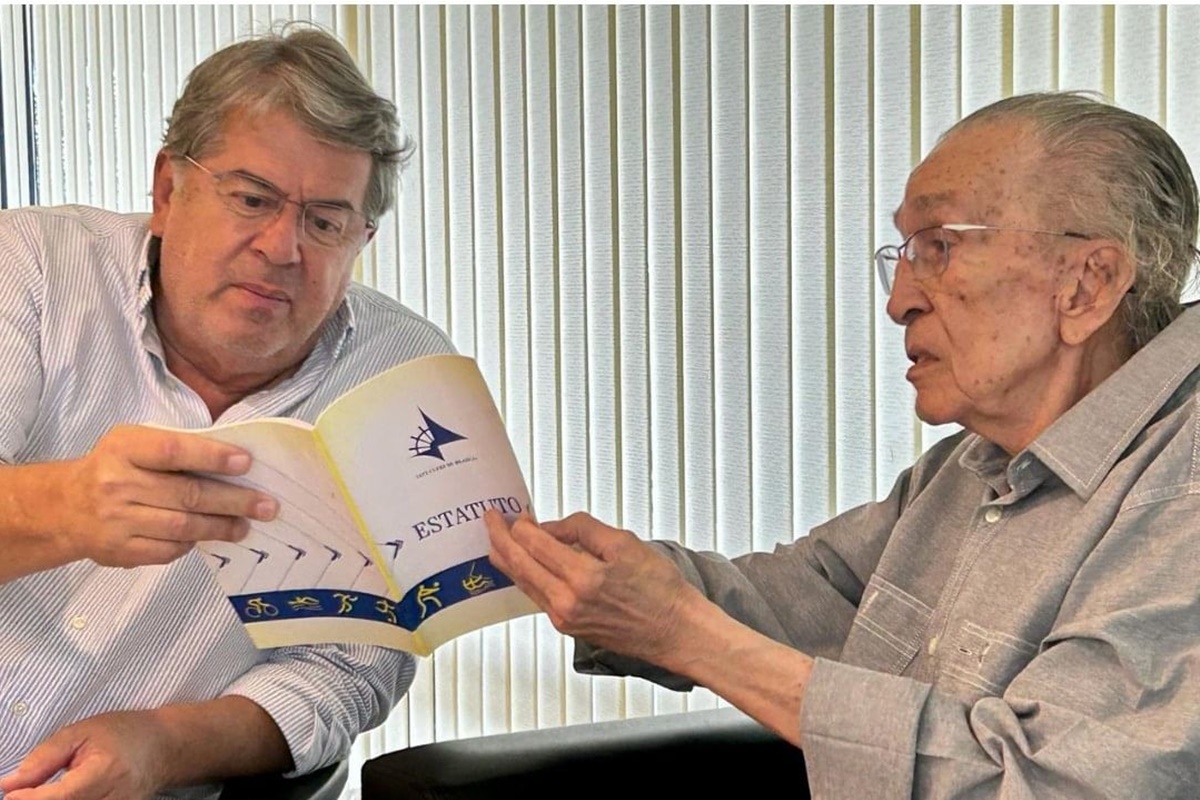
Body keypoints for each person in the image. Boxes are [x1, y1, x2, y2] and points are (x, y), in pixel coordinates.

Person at [486, 91, 1200, 797]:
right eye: (905, 253)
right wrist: (572, 572)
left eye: (939, 248)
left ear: (1086, 283)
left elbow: (1046, 786)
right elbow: (797, 601)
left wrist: (687, 632)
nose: (899, 300)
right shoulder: (972, 465)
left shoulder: (1183, 486)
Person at [0, 25, 452, 800]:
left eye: (324, 222)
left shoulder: (406, 383)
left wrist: (163, 746)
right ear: (168, 191)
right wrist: (68, 508)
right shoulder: (36, 269)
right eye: (252, 198)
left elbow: (346, 672)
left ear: (361, 240)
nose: (282, 248)